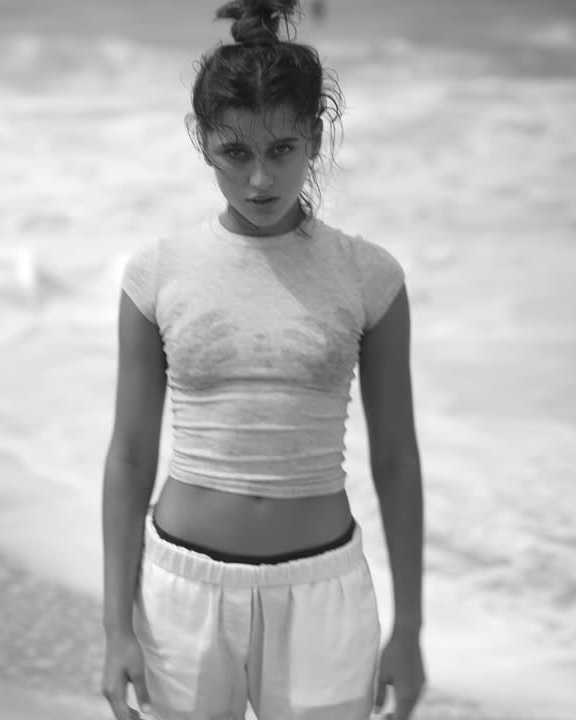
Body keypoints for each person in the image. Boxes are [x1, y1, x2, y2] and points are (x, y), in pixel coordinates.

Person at [100, 1, 426, 718]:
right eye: (235, 152)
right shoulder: (157, 275)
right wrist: (115, 627)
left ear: (313, 137)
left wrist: (410, 628)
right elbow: (128, 455)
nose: (258, 180)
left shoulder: (368, 277)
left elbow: (398, 460)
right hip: (180, 593)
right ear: (202, 142)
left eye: (281, 149)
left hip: (324, 595)